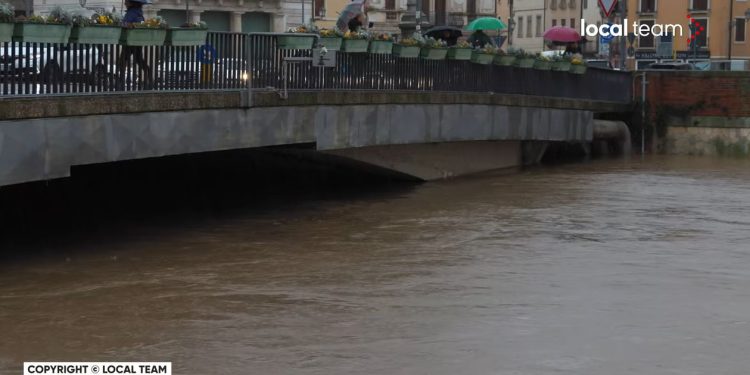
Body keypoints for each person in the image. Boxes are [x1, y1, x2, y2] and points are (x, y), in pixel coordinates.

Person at [117, 0, 153, 90]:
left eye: (126, 1)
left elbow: (125, 24)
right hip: (138, 40)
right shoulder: (139, 13)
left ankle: (121, 82)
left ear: (132, 3)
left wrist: (119, 23)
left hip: (130, 40)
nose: (125, 3)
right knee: (139, 60)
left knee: (122, 60)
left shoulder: (131, 13)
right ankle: (149, 79)